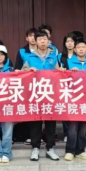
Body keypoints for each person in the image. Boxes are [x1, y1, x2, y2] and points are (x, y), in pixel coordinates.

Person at [21, 31, 60, 161]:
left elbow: (59, 73)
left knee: (50, 122)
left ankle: (50, 148)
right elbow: (22, 74)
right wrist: (28, 70)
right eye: (40, 39)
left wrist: (61, 71)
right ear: (36, 41)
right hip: (35, 94)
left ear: (48, 41)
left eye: (45, 39)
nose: (43, 41)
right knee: (35, 122)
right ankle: (35, 148)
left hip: (50, 94)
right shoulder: (30, 57)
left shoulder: (53, 57)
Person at [64, 39, 86, 161]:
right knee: (73, 127)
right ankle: (70, 151)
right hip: (73, 98)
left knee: (83, 127)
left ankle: (80, 151)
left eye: (83, 47)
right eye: (79, 47)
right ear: (74, 49)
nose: (81, 49)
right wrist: (69, 72)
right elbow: (62, 77)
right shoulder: (68, 62)